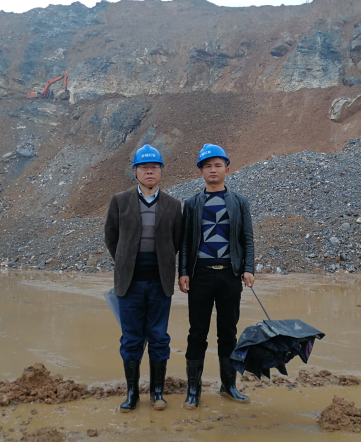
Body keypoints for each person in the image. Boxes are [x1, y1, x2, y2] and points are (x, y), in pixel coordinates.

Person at [105, 144, 182, 412]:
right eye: (144, 167)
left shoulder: (173, 205)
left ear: (161, 171)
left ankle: (157, 392)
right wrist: (126, 262)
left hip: (160, 284)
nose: (149, 171)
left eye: (154, 167)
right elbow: (111, 237)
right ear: (135, 171)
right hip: (130, 284)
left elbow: (177, 241)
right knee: (131, 339)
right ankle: (132, 393)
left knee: (159, 337)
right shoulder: (119, 201)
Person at [178, 143, 255, 409]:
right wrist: (183, 271)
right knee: (197, 333)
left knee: (228, 333)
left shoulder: (239, 202)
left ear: (227, 170)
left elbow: (247, 238)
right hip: (200, 276)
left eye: (218, 165)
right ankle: (193, 389)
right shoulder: (192, 204)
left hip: (230, 276)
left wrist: (248, 268)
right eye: (208, 166)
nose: (213, 170)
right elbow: (185, 241)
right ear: (201, 171)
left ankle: (229, 385)